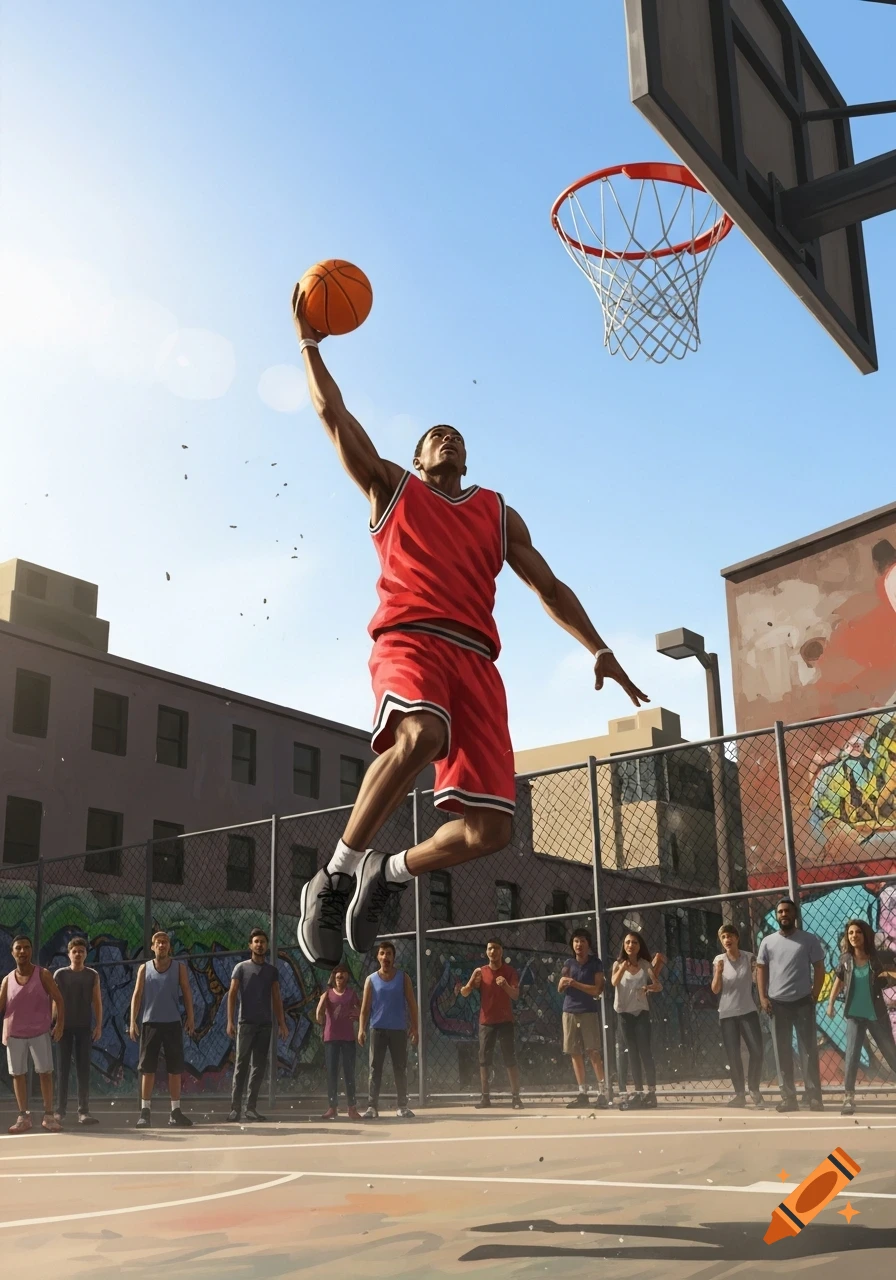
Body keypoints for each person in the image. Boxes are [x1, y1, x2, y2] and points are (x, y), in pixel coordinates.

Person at [290, 294, 648, 967]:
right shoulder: (393, 488)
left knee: (491, 830)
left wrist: (598, 647)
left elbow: (549, 586)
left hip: (478, 662)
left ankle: (389, 872)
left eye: (456, 434)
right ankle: (334, 875)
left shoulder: (496, 512)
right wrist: (309, 345)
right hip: (412, 639)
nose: (447, 438)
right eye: (435, 434)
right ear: (418, 456)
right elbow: (332, 414)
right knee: (423, 733)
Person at [756, 898, 826, 1113]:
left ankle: (814, 1097)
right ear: (777, 916)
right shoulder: (767, 942)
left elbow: (820, 968)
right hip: (777, 1004)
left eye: (787, 911)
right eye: (780, 912)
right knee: (782, 1052)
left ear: (795, 915)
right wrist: (763, 998)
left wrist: (815, 994)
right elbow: (761, 969)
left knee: (808, 1050)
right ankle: (788, 1098)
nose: (784, 914)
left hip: (803, 1002)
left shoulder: (809, 940)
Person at [827, 918, 896, 1115]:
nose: (854, 936)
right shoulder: (845, 960)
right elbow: (839, 980)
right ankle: (848, 1097)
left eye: (857, 932)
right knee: (852, 1055)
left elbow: (892, 973)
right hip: (854, 1015)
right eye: (850, 933)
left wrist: (888, 977)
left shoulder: (876, 959)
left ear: (865, 935)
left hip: (875, 1014)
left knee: (890, 1052)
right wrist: (830, 1003)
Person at [129, 930, 195, 1128]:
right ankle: (145, 1112)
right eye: (158, 942)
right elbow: (137, 994)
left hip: (172, 1023)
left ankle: (175, 1112)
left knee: (175, 1069)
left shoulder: (179, 968)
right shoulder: (145, 968)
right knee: (147, 1069)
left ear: (169, 946)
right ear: (152, 947)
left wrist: (190, 1017)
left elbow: (187, 992)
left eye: (165, 942)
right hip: (150, 1023)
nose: (162, 945)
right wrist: (132, 1021)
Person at [0, 936, 64, 1133]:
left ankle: (48, 1116)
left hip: (39, 1032)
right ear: (12, 952)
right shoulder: (7, 980)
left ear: (31, 950)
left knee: (45, 1073)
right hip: (14, 1034)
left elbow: (59, 999)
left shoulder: (43, 974)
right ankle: (23, 1116)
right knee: (18, 1074)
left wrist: (59, 1024)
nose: (22, 951)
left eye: (26, 947)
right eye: (18, 948)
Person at [225, 928, 289, 1123]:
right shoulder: (241, 968)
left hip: (265, 1025)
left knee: (258, 1067)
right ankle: (235, 1108)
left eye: (262, 941)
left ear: (267, 945)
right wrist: (230, 1021)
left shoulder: (272, 971)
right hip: (246, 1024)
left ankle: (250, 1108)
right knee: (241, 1065)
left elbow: (276, 997)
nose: (259, 945)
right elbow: (232, 994)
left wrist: (282, 1023)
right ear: (250, 945)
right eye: (256, 941)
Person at [459, 938, 523, 1110]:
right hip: (486, 1021)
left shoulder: (509, 971)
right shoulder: (481, 972)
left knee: (510, 1058)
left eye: (495, 948)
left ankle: (516, 1097)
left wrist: (506, 986)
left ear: (501, 951)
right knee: (484, 1060)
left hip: (505, 1020)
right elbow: (465, 992)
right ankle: (485, 1097)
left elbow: (515, 995)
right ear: (486, 952)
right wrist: (469, 984)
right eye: (489, 948)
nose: (492, 951)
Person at [358, 942, 418, 1119]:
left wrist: (415, 1027)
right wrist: (361, 1029)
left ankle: (402, 1106)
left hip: (398, 1030)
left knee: (400, 1068)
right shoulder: (371, 980)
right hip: (377, 1029)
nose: (385, 957)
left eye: (389, 954)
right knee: (375, 1068)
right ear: (378, 957)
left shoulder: (403, 978)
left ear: (393, 957)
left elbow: (412, 1004)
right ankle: (372, 1107)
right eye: (382, 953)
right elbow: (365, 1009)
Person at [710, 923, 765, 1109]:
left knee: (757, 1050)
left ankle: (754, 1089)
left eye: (730, 936)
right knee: (733, 1055)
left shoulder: (749, 957)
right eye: (723, 937)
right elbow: (715, 989)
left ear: (736, 938)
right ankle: (739, 1094)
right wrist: (718, 972)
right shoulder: (719, 960)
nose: (727, 940)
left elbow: (756, 980)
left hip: (748, 1010)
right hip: (727, 1013)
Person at [610, 931, 662, 1110]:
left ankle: (651, 1093)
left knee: (645, 1051)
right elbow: (614, 982)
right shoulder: (618, 964)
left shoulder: (645, 964)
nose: (630, 945)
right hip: (624, 1013)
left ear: (639, 946)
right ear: (623, 945)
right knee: (631, 1051)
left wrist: (648, 987)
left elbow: (658, 985)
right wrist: (622, 968)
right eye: (627, 942)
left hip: (641, 1012)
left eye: (634, 943)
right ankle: (639, 1092)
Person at [54, 936, 102, 1125]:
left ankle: (84, 1111)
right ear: (69, 954)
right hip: (63, 1028)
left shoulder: (92, 975)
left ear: (86, 954)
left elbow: (97, 1001)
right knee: (62, 1069)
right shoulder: (60, 974)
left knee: (83, 1069)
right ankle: (60, 1110)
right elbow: (55, 1001)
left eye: (81, 951)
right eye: (74, 951)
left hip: (84, 1027)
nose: (78, 954)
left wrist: (99, 1025)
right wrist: (54, 1023)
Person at [558, 928, 608, 1108]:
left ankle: (602, 1092)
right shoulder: (568, 963)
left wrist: (575, 984)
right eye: (576, 941)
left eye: (583, 941)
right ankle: (582, 1093)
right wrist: (562, 983)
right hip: (569, 1011)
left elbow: (597, 990)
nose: (579, 945)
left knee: (593, 1051)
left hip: (588, 1011)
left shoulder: (595, 963)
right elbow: (561, 988)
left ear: (589, 944)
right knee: (575, 1052)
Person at [316, 962, 362, 1120]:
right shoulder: (328, 994)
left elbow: (361, 1010)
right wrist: (321, 1005)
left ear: (347, 977)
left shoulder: (351, 994)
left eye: (343, 974)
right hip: (331, 1038)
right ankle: (332, 1107)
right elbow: (319, 1015)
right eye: (338, 974)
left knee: (349, 1072)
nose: (340, 976)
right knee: (332, 1072)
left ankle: (352, 1107)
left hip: (348, 1038)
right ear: (334, 977)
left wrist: (357, 1015)